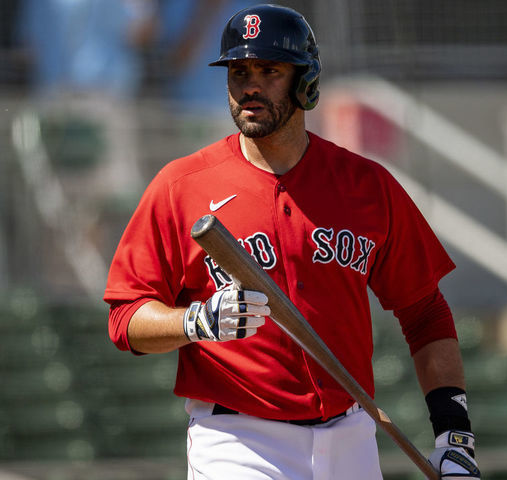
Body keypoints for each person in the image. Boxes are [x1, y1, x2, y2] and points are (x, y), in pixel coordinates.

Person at [104, 4, 481, 479]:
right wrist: (197, 320)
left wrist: (454, 433)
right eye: (238, 71)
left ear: (307, 82)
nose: (250, 86)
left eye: (269, 70)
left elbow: (424, 311)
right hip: (240, 439)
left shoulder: (367, 185)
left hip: (352, 434)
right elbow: (125, 319)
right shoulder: (182, 185)